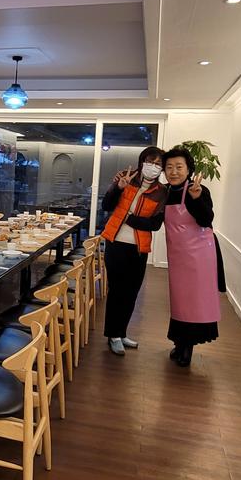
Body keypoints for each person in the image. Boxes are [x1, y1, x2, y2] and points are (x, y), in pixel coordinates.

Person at [160, 148, 226, 367]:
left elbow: (206, 219)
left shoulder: (198, 190)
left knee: (194, 301)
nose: (174, 172)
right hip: (177, 255)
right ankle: (179, 343)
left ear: (188, 169)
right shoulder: (165, 192)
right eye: (169, 167)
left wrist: (196, 199)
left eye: (179, 167)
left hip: (199, 255)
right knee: (179, 300)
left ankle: (187, 347)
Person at [99, 146, 167, 356]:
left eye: (158, 164)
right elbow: (106, 205)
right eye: (150, 161)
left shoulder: (162, 192)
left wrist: (129, 218)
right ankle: (113, 335)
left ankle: (122, 332)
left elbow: (155, 224)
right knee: (117, 290)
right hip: (116, 243)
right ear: (141, 162)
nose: (153, 166)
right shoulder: (126, 179)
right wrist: (118, 188)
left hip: (139, 248)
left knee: (132, 292)